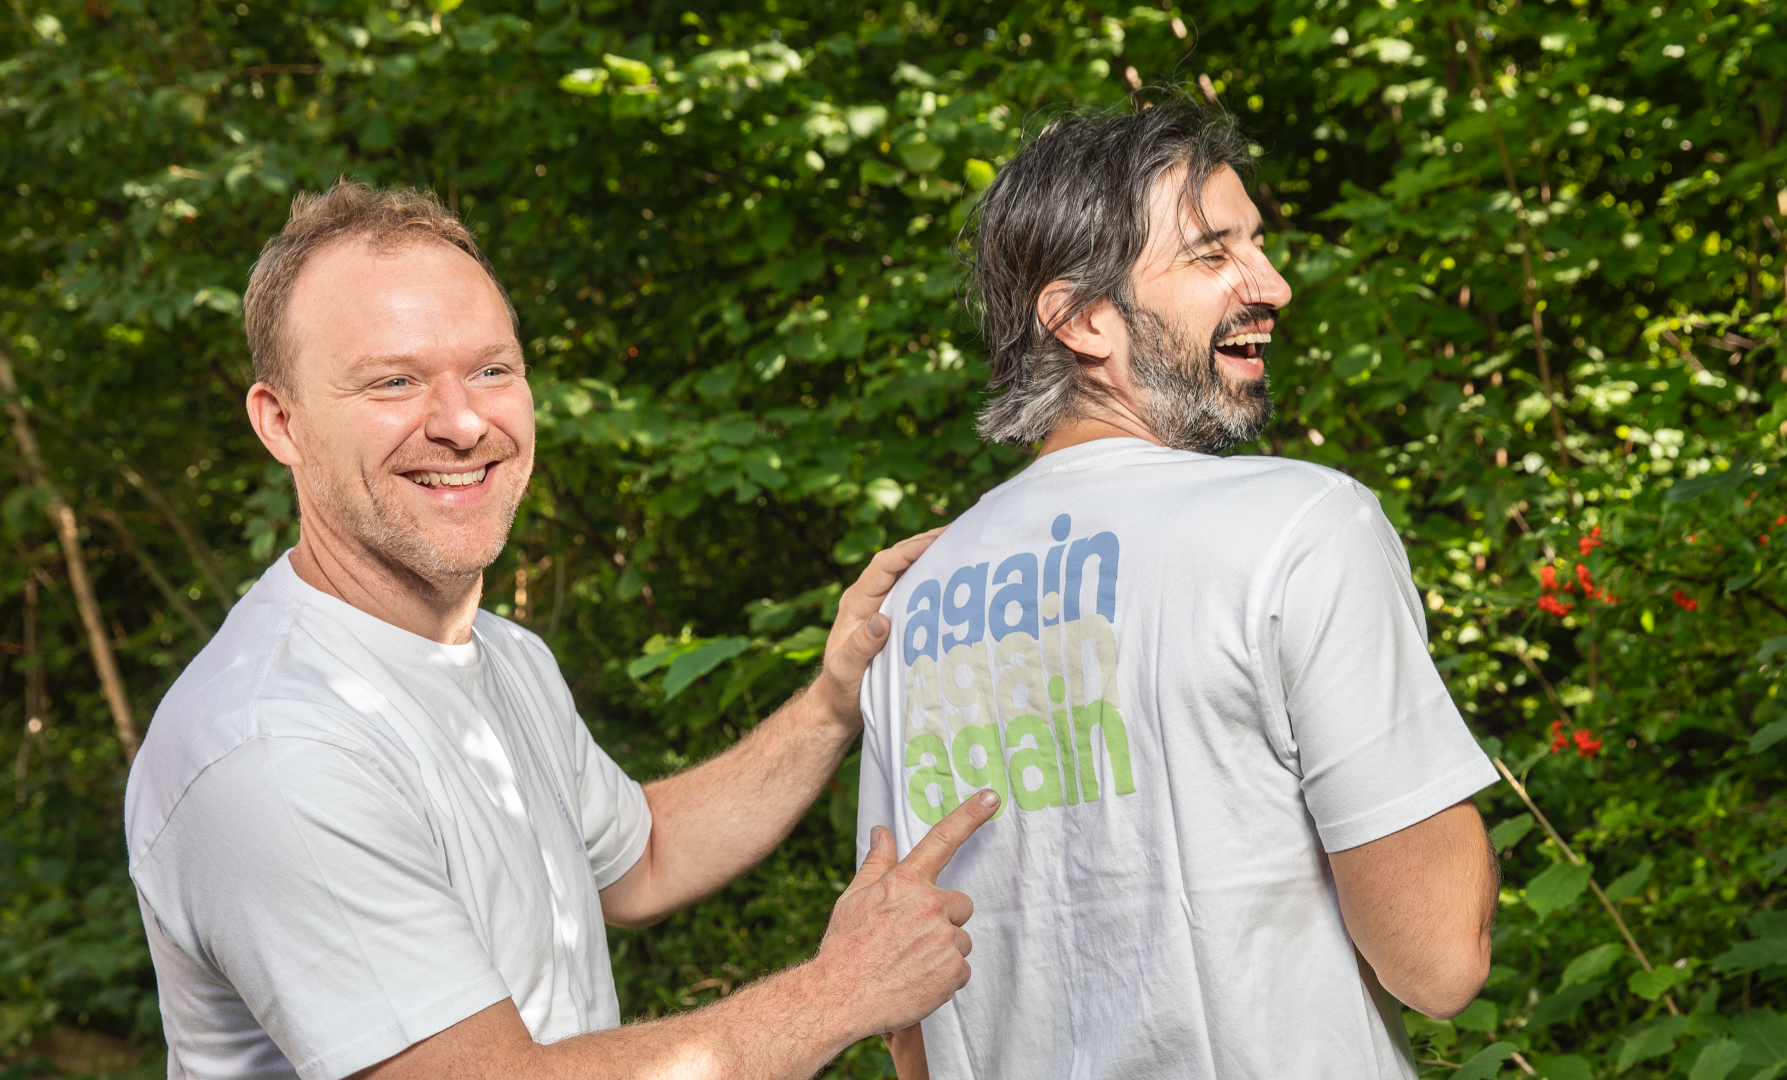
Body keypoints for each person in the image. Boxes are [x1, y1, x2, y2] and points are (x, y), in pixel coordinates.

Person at [123, 180, 998, 1080]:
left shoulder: (503, 655)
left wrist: (830, 703)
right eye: (394, 381)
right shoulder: (274, 747)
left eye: (492, 370)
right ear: (281, 423)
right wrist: (839, 992)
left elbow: (645, 856)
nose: (463, 422)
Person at [856, 101, 1501, 1079]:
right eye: (1214, 256)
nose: (1272, 285)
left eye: (1259, 245)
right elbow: (1441, 959)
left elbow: (905, 1014)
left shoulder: (912, 604)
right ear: (1082, 319)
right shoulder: (1302, 527)